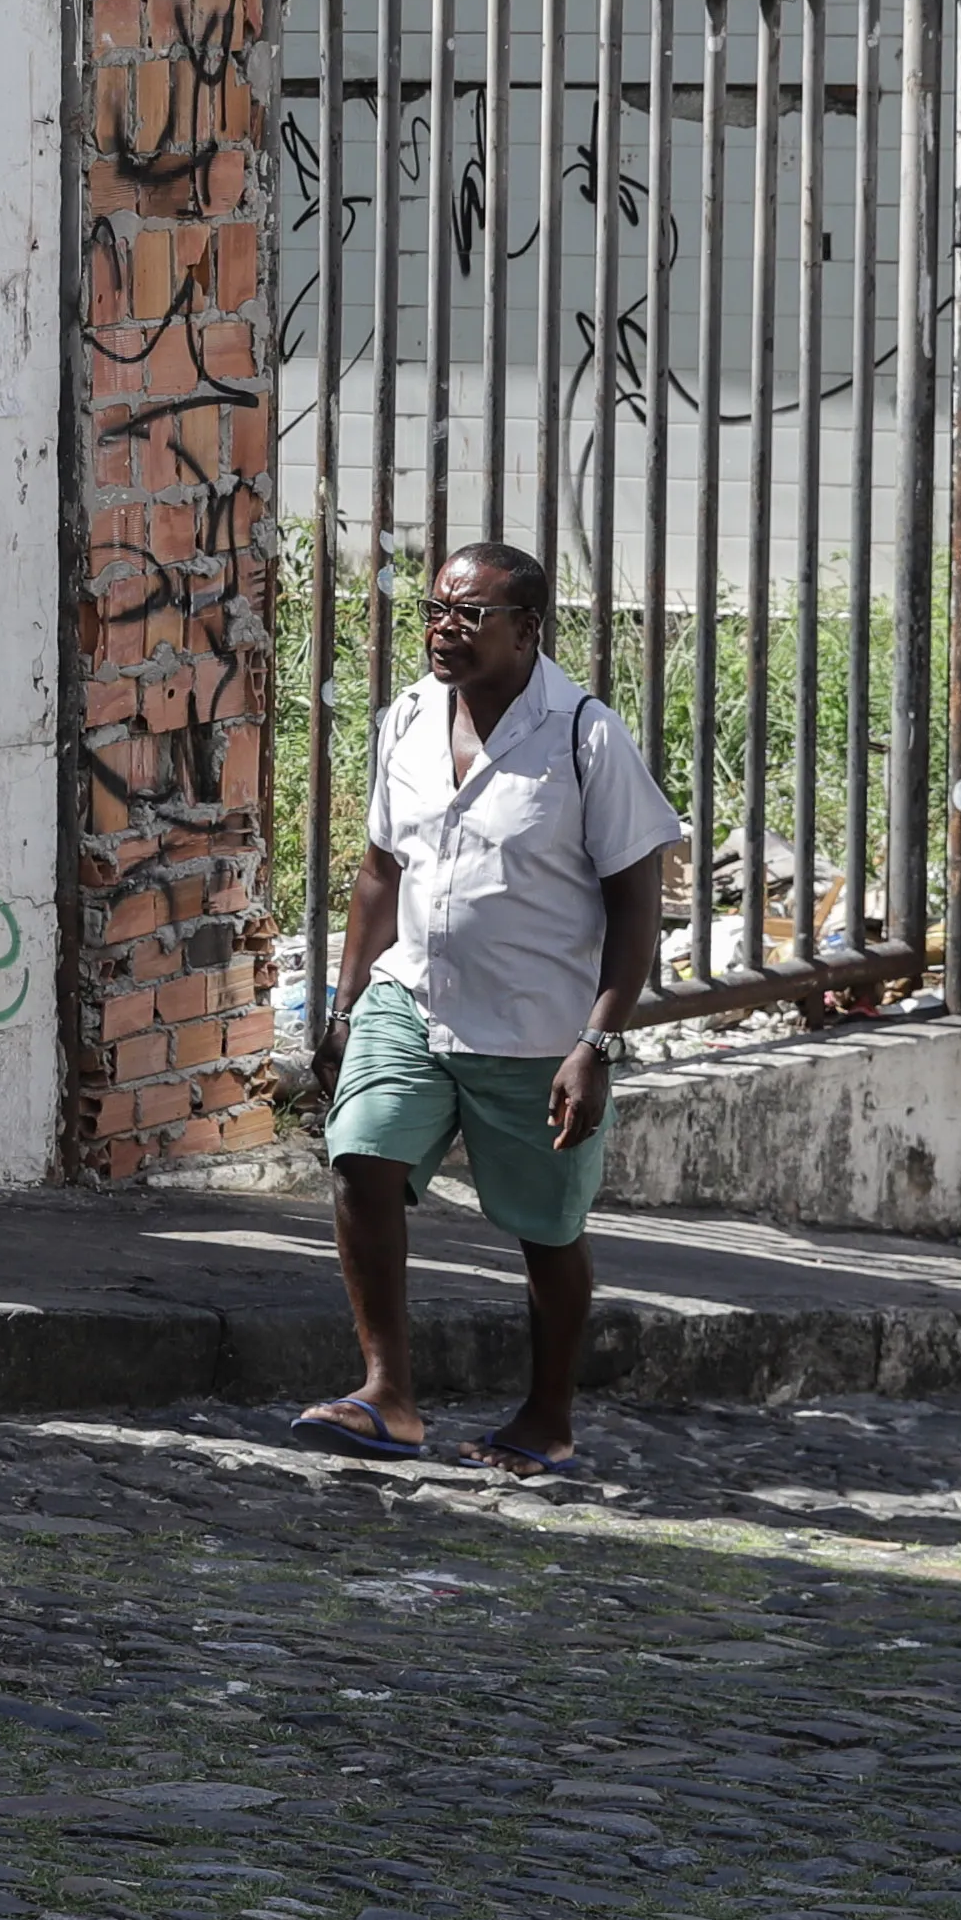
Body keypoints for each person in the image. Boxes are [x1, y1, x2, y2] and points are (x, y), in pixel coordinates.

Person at [305, 539, 675, 1474]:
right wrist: (347, 1007)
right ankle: (387, 1393)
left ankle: (547, 1417)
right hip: (412, 997)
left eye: (473, 615)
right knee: (362, 1159)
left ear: (528, 630)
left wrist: (596, 1041)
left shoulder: (585, 737)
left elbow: (637, 905)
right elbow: (380, 872)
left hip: (535, 1030)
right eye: (438, 608)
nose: (446, 628)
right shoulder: (408, 721)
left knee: (547, 1232)